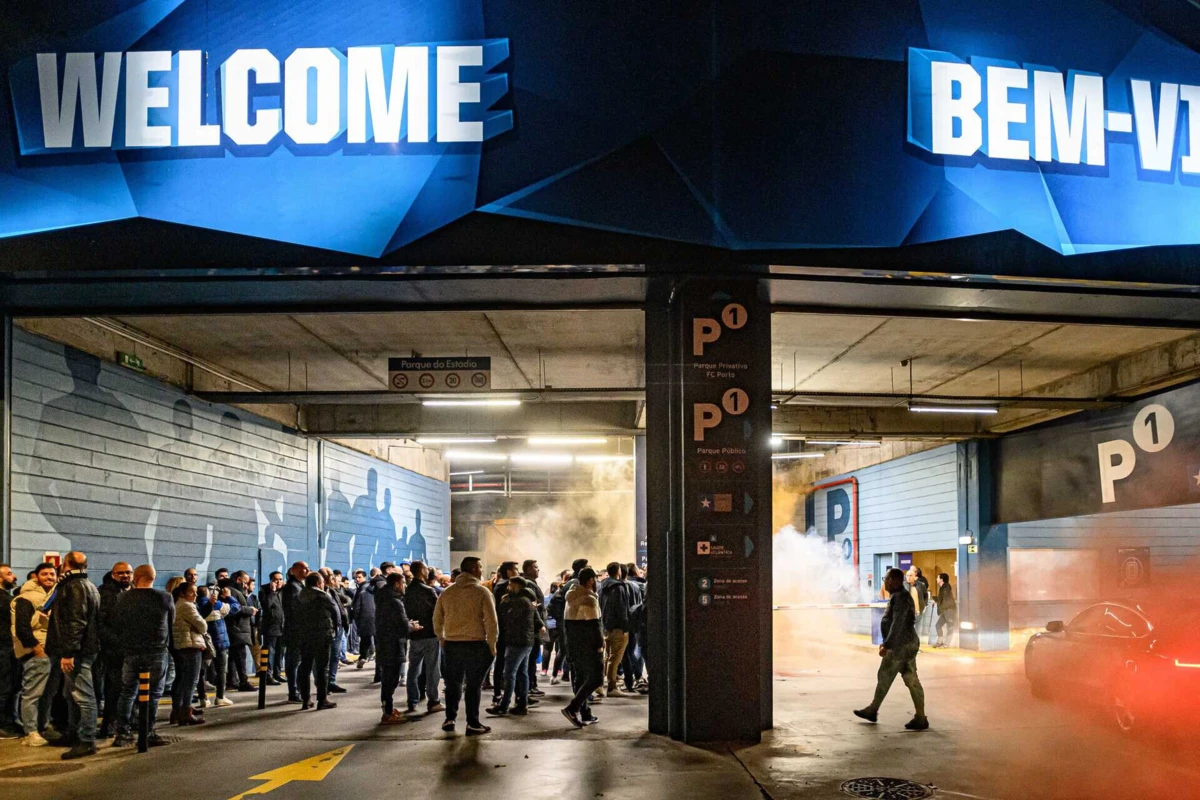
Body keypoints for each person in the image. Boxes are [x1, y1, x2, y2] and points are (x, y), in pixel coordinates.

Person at [854, 568, 928, 731]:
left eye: (887, 579)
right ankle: (920, 717)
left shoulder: (900, 597)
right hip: (907, 643)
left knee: (885, 675)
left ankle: (873, 710)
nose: (885, 583)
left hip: (900, 646)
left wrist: (887, 644)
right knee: (911, 679)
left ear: (894, 581)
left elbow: (897, 623)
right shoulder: (899, 596)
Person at [44, 551, 102, 759]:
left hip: (76, 652)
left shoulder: (73, 587)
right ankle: (74, 733)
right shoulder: (89, 585)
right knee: (72, 695)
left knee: (84, 697)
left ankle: (86, 740)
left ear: (65, 564)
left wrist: (68, 652)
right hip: (85, 649)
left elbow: (76, 622)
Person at [433, 556, 498, 736]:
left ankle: (450, 719)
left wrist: (441, 637)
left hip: (452, 644)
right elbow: (491, 622)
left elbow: (437, 618)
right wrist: (492, 644)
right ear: (474, 569)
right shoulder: (482, 592)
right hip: (476, 644)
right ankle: (472, 723)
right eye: (480, 567)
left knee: (453, 684)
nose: (482, 570)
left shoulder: (447, 592)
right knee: (473, 686)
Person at [111, 565, 174, 748]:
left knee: (128, 692)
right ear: (153, 577)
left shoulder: (123, 598)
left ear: (135, 577)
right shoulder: (165, 597)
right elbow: (171, 623)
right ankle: (147, 731)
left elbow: (117, 623)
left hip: (131, 650)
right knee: (153, 694)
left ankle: (122, 733)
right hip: (157, 650)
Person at [13, 562, 56, 746]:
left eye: (52, 574)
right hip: (37, 652)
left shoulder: (53, 596)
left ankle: (43, 726)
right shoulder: (26, 598)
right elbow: (21, 627)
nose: (49, 577)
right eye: (44, 574)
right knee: (32, 694)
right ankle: (30, 732)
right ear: (36, 577)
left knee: (47, 693)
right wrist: (37, 649)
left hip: (51, 651)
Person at [488, 576, 542, 717]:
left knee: (509, 673)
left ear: (516, 586)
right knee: (522, 673)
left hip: (517, 641)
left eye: (510, 585)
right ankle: (522, 704)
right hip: (526, 641)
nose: (508, 588)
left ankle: (504, 705)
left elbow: (507, 617)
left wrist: (504, 604)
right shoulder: (527, 600)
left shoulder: (518, 601)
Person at [561, 567, 604, 729]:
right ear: (591, 581)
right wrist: (599, 645)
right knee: (596, 678)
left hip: (574, 644)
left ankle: (585, 712)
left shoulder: (570, 596)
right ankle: (573, 708)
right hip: (589, 645)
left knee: (580, 678)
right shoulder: (588, 598)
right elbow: (594, 625)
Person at [96, 562, 132, 738]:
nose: (125, 575)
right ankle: (109, 725)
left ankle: (125, 721)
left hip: (129, 648)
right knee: (114, 689)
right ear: (113, 574)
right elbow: (100, 623)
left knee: (128, 688)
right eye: (121, 573)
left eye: (128, 572)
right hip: (113, 650)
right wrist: (116, 641)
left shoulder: (132, 591)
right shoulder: (105, 593)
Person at [294, 573, 338, 710]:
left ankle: (305, 699)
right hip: (322, 634)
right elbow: (335, 613)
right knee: (322, 667)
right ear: (319, 583)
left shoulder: (299, 596)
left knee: (305, 666)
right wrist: (335, 629)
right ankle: (322, 699)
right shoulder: (323, 596)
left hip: (304, 635)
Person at [405, 561, 442, 714]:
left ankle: (412, 700)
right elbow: (437, 612)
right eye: (426, 568)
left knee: (413, 668)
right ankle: (433, 701)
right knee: (432, 669)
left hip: (414, 634)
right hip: (430, 634)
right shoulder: (428, 591)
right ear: (421, 570)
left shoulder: (408, 589)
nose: (428, 571)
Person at [376, 572, 412, 724]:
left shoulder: (382, 597)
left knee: (388, 678)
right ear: (397, 584)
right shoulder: (395, 602)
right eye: (403, 583)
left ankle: (388, 709)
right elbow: (402, 624)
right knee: (391, 679)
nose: (405, 586)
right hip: (393, 644)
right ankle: (388, 713)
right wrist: (411, 627)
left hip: (384, 642)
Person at [598, 562, 638, 697]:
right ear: (619, 571)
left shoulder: (602, 587)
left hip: (606, 626)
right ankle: (612, 687)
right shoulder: (619, 587)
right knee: (615, 658)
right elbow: (622, 609)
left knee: (607, 657)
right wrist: (626, 627)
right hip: (618, 627)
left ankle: (600, 684)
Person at [170, 582, 208, 726]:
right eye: (192, 592)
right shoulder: (186, 605)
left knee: (182, 679)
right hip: (190, 645)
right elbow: (202, 626)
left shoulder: (177, 604)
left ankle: (177, 710)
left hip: (181, 645)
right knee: (191, 679)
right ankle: (186, 712)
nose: (195, 595)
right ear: (183, 593)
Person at [197, 582, 238, 707]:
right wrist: (229, 596)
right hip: (219, 640)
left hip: (202, 642)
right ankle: (220, 697)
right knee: (221, 670)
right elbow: (235, 607)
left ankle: (203, 698)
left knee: (201, 671)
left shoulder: (195, 606)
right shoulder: (216, 605)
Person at [489, 561, 519, 705]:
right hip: (505, 630)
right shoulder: (504, 586)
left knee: (503, 662)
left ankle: (501, 693)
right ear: (509, 572)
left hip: (503, 629)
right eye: (515, 569)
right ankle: (499, 694)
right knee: (503, 663)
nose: (517, 572)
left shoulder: (499, 584)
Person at [224, 571, 257, 693]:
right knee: (240, 657)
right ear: (238, 580)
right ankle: (243, 681)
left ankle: (232, 681)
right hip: (237, 630)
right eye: (245, 582)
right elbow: (233, 609)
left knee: (234, 657)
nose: (246, 586)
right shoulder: (232, 591)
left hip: (238, 630)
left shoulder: (235, 591)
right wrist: (249, 610)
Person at [281, 561, 309, 703]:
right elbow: (294, 609)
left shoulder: (299, 585)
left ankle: (297, 689)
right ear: (294, 570)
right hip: (295, 630)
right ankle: (293, 691)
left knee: (297, 661)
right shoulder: (292, 587)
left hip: (299, 629)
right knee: (294, 662)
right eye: (304, 568)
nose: (307, 570)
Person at [0, 564, 22, 738]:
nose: (14, 576)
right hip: (4, 648)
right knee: (5, 687)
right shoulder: (4, 600)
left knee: (10, 686)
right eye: (9, 574)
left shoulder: (7, 598)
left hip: (8, 647)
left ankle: (9, 720)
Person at [520, 560, 546, 698]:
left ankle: (531, 685)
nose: (538, 569)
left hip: (532, 627)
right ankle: (530, 686)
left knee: (531, 658)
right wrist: (540, 623)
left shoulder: (530, 583)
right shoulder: (529, 584)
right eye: (536, 567)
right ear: (529, 569)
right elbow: (534, 607)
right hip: (532, 628)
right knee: (531, 658)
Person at [259, 572, 285, 683]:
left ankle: (277, 674)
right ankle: (268, 675)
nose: (278, 582)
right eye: (276, 579)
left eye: (280, 579)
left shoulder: (283, 591)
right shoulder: (264, 591)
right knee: (270, 652)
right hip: (270, 627)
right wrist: (272, 592)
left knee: (280, 652)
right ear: (271, 581)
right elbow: (267, 606)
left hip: (282, 627)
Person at [350, 569, 375, 671]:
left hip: (363, 617)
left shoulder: (361, 590)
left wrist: (356, 617)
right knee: (373, 638)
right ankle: (370, 656)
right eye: (356, 577)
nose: (357, 579)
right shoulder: (373, 588)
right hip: (374, 616)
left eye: (359, 577)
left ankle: (363, 656)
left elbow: (357, 606)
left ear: (365, 577)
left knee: (365, 639)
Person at [932, 573, 957, 649]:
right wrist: (935, 599)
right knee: (938, 625)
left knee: (950, 626)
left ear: (941, 579)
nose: (936, 579)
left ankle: (946, 644)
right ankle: (940, 642)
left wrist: (938, 601)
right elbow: (941, 598)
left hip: (949, 609)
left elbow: (945, 598)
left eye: (938, 577)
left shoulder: (946, 587)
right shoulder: (942, 588)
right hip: (945, 609)